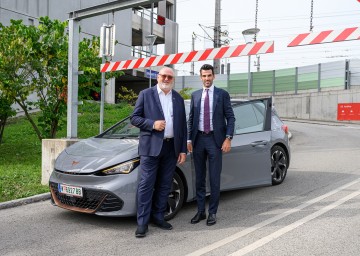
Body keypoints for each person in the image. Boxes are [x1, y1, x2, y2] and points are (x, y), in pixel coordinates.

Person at [130, 66, 187, 238]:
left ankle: (158, 216)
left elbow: (182, 127)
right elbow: (134, 118)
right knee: (146, 185)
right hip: (150, 148)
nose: (166, 79)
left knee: (164, 185)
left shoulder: (178, 98)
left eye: (170, 77)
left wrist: (182, 149)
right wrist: (152, 124)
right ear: (158, 77)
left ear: (173, 80)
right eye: (164, 76)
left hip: (171, 148)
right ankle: (142, 223)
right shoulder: (146, 94)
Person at [187, 64, 235, 226]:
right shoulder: (195, 95)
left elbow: (231, 118)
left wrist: (228, 138)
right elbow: (191, 120)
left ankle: (212, 212)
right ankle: (201, 211)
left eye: (209, 76)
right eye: (204, 76)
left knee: (214, 179)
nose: (207, 79)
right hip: (198, 141)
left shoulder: (222, 95)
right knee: (199, 178)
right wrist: (188, 140)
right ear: (200, 77)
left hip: (215, 141)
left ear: (214, 76)